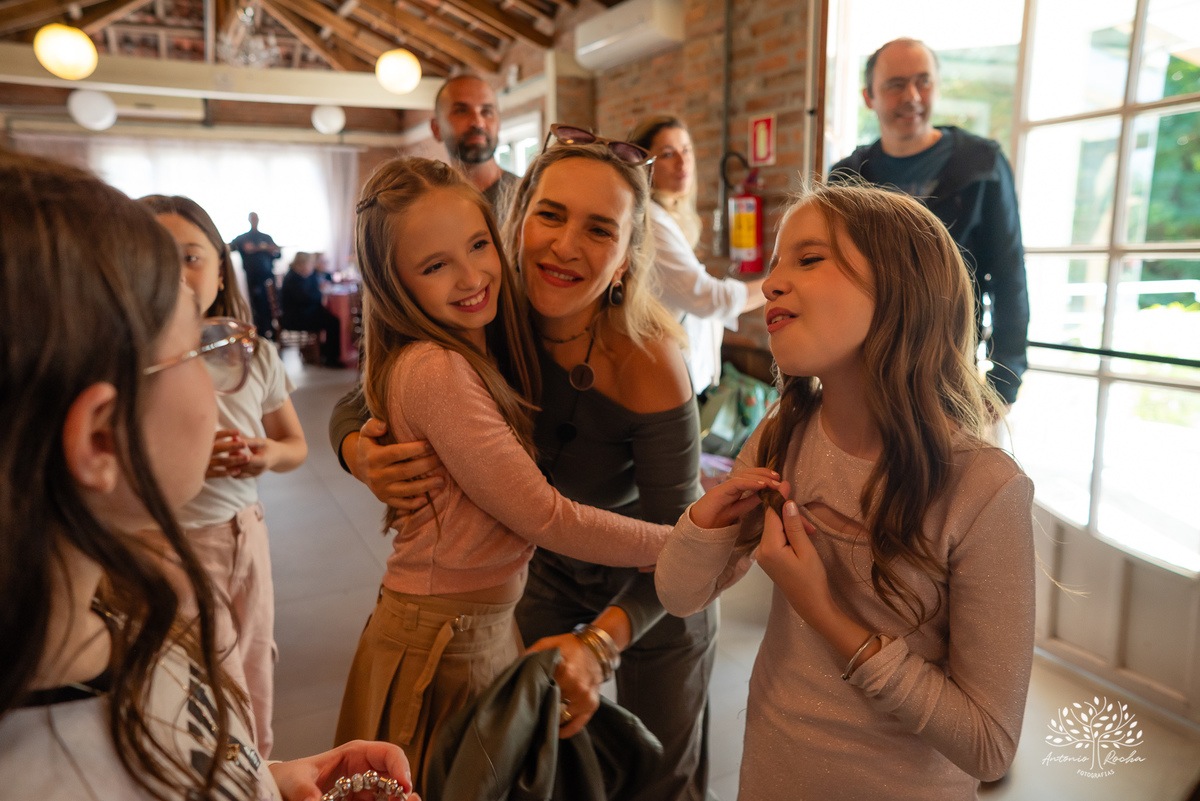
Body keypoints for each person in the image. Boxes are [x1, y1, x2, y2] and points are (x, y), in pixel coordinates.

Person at [0, 150, 416, 801]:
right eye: (194, 350)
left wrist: (267, 781)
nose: (221, 374)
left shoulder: (129, 623)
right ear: (103, 437)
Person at [331, 133, 719, 801]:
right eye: (551, 215)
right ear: (516, 222)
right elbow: (362, 396)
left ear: (627, 256)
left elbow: (678, 542)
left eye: (599, 229)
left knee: (661, 776)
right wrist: (362, 453)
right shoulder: (488, 306)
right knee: (535, 761)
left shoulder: (651, 360)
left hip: (649, 581)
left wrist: (601, 644)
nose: (565, 245)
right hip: (544, 566)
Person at [655, 181, 1036, 800]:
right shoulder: (785, 432)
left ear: (900, 289)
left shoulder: (984, 489)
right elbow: (677, 595)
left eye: (808, 259)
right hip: (772, 768)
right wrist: (704, 522)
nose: (771, 283)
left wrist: (826, 614)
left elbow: (989, 746)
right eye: (775, 263)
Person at [139, 194, 308, 758]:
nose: (176, 274)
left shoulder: (253, 354)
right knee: (200, 675)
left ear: (218, 270)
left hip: (246, 532)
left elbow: (295, 445)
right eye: (155, 257)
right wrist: (180, 463)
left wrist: (267, 454)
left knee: (256, 659)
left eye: (191, 257)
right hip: (172, 542)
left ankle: (258, 768)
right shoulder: (128, 363)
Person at [829, 38, 1029, 406]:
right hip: (863, 375)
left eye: (923, 81)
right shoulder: (846, 178)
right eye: (895, 85)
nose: (912, 96)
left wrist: (1004, 384)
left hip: (951, 375)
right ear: (869, 97)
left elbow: (1009, 275)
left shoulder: (982, 166)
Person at [628, 116, 767, 394]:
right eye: (668, 154)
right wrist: (775, 284)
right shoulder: (652, 220)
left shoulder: (664, 214)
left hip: (675, 370)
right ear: (644, 165)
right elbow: (708, 298)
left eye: (686, 150)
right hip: (662, 374)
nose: (683, 163)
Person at [430, 74, 519, 220]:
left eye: (487, 112)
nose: (478, 122)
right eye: (462, 111)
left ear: (498, 124)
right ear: (436, 128)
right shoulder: (428, 205)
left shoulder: (527, 196)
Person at [280, 250, 345, 367]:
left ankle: (326, 352)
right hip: (297, 318)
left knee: (329, 318)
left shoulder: (300, 276)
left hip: (304, 313)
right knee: (333, 322)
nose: (312, 267)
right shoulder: (293, 279)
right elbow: (306, 299)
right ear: (302, 264)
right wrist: (319, 291)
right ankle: (331, 359)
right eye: (310, 264)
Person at [230, 212, 282, 341]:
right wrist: (246, 248)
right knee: (257, 305)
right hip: (253, 277)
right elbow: (230, 247)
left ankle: (272, 332)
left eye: (256, 218)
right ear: (249, 220)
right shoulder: (243, 238)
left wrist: (271, 250)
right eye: (252, 218)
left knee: (272, 305)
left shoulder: (266, 237)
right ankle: (260, 333)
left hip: (268, 276)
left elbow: (277, 254)